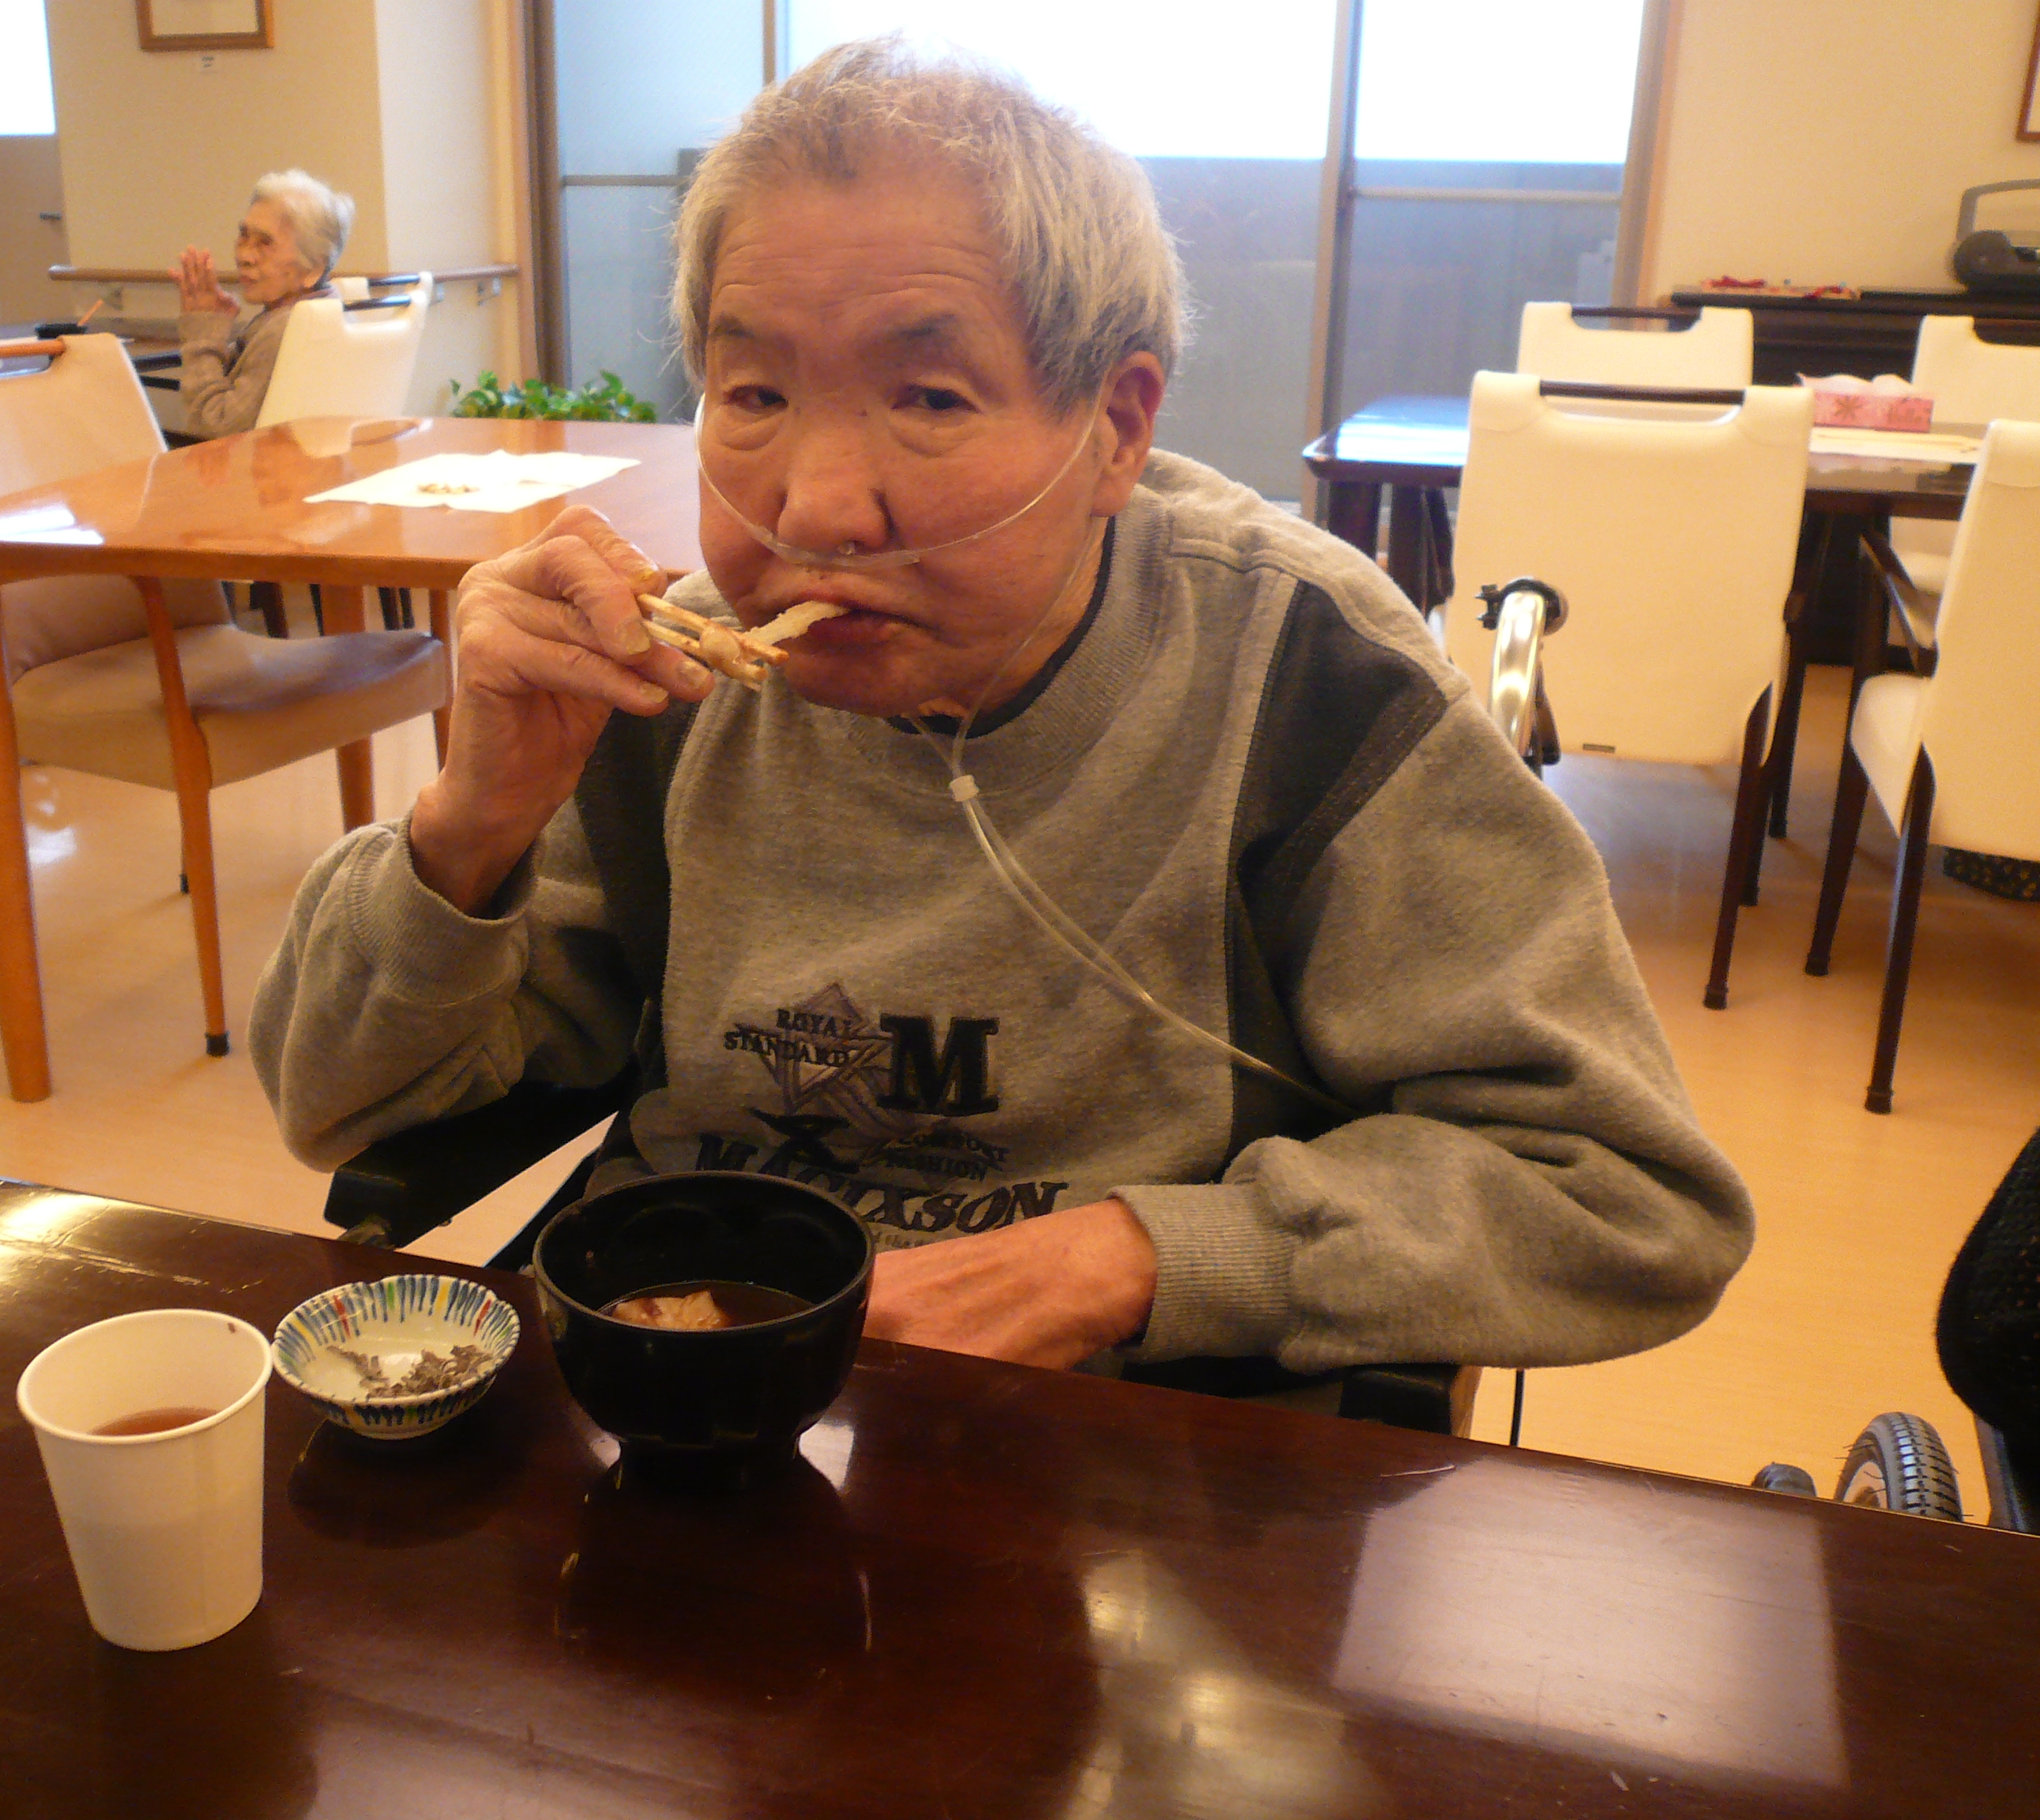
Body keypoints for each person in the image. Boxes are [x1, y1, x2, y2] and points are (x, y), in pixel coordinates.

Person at [250, 39, 1753, 1380]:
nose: (816, 508)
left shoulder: (1300, 674)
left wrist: (1136, 1259)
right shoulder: (670, 686)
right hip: (694, 1364)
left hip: (1132, 1438)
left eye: (930, 399)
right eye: (754, 393)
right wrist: (471, 825)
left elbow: (1624, 1196)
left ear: (1115, 428)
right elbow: (337, 1107)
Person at [170, 169, 353, 439]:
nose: (244, 256)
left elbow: (213, 431)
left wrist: (202, 336)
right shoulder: (331, 307)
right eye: (244, 236)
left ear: (315, 267)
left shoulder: (286, 328)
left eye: (265, 243)